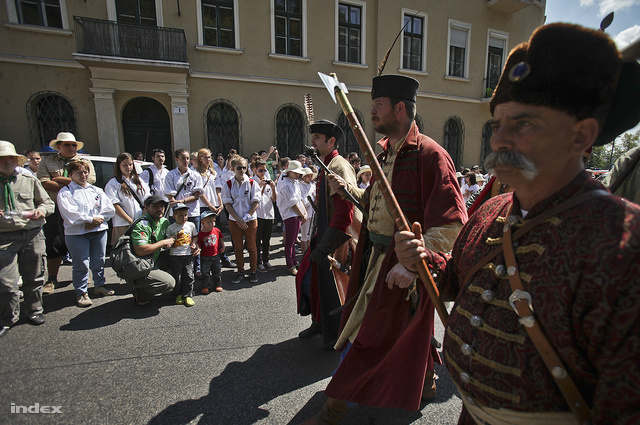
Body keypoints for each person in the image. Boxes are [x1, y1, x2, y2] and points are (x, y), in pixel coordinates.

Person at [394, 23, 640, 424]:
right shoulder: (491, 212)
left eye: (523, 123)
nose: (499, 140)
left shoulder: (624, 245)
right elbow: (455, 280)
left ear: (581, 136)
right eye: (497, 125)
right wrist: (422, 259)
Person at [301, 75, 467, 423]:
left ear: (400, 108)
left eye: (378, 106)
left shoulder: (431, 155)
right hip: (371, 259)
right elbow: (374, 205)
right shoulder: (384, 153)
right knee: (402, 332)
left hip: (400, 264)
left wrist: (413, 264)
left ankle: (335, 408)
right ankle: (426, 383)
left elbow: (451, 225)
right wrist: (346, 189)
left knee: (365, 334)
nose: (372, 112)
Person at [295, 119, 358, 350]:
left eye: (317, 138)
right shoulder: (325, 163)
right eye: (312, 137)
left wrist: (327, 246)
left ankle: (334, 335)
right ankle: (319, 323)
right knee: (310, 281)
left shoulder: (339, 166)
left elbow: (345, 213)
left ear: (331, 141)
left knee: (333, 289)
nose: (312, 141)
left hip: (336, 239)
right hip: (322, 232)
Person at [0, 141, 55, 337]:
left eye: (11, 158)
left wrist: (41, 210)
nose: (8, 162)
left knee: (35, 275)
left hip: (32, 233)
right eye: (3, 158)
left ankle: (34, 311)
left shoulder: (27, 178)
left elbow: (47, 203)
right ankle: (8, 317)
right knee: (6, 281)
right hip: (4, 236)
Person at [37, 132, 96, 294]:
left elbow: (89, 182)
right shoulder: (46, 161)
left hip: (80, 208)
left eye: (73, 145)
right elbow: (44, 183)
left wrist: (58, 180)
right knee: (54, 244)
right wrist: (74, 182)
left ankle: (83, 275)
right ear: (58, 146)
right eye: (67, 145)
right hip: (55, 209)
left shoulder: (85, 162)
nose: (71, 147)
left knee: (81, 243)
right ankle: (52, 278)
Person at [57, 159, 116, 307]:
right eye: (78, 172)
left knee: (99, 260)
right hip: (77, 233)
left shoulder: (96, 190)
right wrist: (89, 220)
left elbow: (109, 209)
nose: (83, 175)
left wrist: (98, 220)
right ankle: (81, 292)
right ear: (70, 174)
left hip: (99, 230)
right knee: (81, 263)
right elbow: (69, 213)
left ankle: (99, 285)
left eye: (85, 172)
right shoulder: (66, 192)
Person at [130, 195, 176, 306]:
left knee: (182, 258)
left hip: (154, 259)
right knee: (169, 283)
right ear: (146, 208)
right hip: (139, 264)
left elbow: (171, 240)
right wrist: (163, 242)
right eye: (155, 206)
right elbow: (140, 250)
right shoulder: (142, 224)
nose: (160, 209)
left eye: (161, 206)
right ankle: (138, 287)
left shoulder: (164, 222)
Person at [222, 156, 260, 284]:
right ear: (233, 168)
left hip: (249, 219)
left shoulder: (251, 183)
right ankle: (240, 271)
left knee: (252, 246)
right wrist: (238, 219)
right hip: (235, 220)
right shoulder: (227, 184)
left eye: (244, 167)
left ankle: (253, 271)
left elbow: (256, 202)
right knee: (238, 247)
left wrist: (246, 217)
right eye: (239, 168)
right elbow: (227, 204)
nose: (242, 170)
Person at [165, 149, 203, 272]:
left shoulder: (195, 175)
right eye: (183, 158)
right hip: (176, 214)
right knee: (179, 240)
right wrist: (176, 205)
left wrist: (180, 202)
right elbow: (170, 197)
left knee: (194, 240)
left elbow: (196, 195)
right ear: (177, 159)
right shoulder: (170, 175)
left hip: (192, 213)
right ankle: (178, 267)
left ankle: (196, 267)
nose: (186, 161)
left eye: (187, 158)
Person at [105, 152, 150, 244]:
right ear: (119, 166)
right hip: (122, 223)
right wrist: (130, 221)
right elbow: (115, 205)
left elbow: (146, 200)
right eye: (124, 165)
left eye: (130, 164)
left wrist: (141, 218)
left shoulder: (138, 180)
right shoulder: (113, 183)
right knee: (124, 251)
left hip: (140, 222)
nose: (128, 167)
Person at [276, 160, 307, 276]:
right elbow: (292, 203)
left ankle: (294, 261)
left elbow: (299, 199)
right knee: (289, 242)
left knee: (293, 241)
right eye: (295, 172)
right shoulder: (286, 184)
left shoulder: (294, 183)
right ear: (289, 172)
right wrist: (301, 213)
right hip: (290, 215)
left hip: (295, 214)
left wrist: (303, 213)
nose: (298, 175)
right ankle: (290, 265)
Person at [166, 203, 199, 307]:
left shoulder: (191, 225)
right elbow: (167, 240)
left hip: (188, 254)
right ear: (174, 216)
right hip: (175, 255)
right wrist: (168, 242)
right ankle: (177, 294)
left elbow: (195, 236)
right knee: (177, 276)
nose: (184, 217)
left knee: (189, 275)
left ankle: (187, 294)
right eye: (180, 215)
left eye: (185, 215)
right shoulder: (171, 227)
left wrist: (194, 243)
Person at [254, 159, 277, 273]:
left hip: (269, 213)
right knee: (258, 239)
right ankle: (258, 262)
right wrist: (260, 186)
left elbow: (274, 199)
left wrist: (273, 188)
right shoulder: (253, 182)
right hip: (258, 214)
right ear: (255, 170)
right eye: (260, 170)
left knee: (267, 239)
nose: (263, 173)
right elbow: (255, 198)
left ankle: (266, 260)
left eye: (265, 170)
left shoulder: (268, 181)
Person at [198, 210, 224, 294]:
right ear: (203, 222)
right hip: (205, 257)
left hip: (216, 255)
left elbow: (220, 239)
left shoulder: (216, 230)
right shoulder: (201, 234)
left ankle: (218, 284)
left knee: (217, 271)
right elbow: (199, 245)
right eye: (209, 222)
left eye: (213, 221)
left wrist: (223, 246)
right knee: (205, 273)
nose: (212, 223)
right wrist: (198, 249)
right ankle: (205, 286)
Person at [299, 166, 316, 254]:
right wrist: (313, 199)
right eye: (308, 176)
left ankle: (309, 252)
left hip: (313, 212)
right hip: (305, 213)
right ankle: (305, 253)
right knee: (304, 235)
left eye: (310, 176)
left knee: (310, 235)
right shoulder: (300, 186)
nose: (310, 178)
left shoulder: (312, 185)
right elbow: (303, 201)